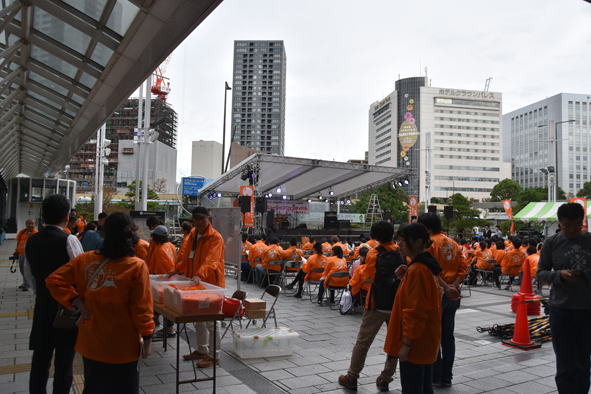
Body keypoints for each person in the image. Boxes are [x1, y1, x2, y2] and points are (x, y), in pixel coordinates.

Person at [46, 212, 154, 394]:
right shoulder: (136, 266)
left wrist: (75, 301)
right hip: (124, 346)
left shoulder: (85, 260)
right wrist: (148, 336)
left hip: (91, 343)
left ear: (104, 234)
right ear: (130, 236)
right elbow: (142, 308)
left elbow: (53, 280)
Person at [25, 195, 84, 394]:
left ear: (42, 216)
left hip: (42, 306)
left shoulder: (31, 241)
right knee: (64, 361)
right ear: (67, 217)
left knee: (40, 359)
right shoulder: (70, 239)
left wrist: (42, 292)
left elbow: (29, 275)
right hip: (66, 310)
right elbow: (80, 274)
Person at [339, 221, 403, 392]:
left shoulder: (373, 254)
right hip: (396, 305)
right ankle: (385, 378)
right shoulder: (402, 252)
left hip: (376, 304)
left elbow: (366, 275)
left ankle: (352, 377)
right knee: (394, 343)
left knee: (363, 342)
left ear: (374, 235)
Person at [537, 203, 591, 394]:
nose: (570, 230)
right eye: (566, 225)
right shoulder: (551, 243)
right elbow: (541, 273)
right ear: (559, 223)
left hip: (587, 310)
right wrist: (559, 275)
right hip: (561, 309)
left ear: (582, 222)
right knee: (565, 362)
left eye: (575, 225)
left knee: (583, 361)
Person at [384, 223, 441, 394]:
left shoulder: (418, 270)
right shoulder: (426, 265)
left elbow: (415, 310)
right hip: (426, 340)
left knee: (412, 388)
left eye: (401, 241)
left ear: (417, 242)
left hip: (415, 344)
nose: (398, 245)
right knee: (424, 387)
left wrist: (406, 344)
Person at [417, 213, 465, 388]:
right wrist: (453, 287)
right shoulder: (453, 244)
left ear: (427, 227)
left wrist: (445, 287)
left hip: (436, 295)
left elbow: (430, 271)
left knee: (433, 336)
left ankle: (435, 375)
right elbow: (463, 268)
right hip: (453, 295)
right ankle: (447, 377)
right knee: (448, 337)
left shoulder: (429, 244)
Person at [173, 207, 225, 368]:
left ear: (208, 219)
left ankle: (214, 355)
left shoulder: (215, 237)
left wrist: (199, 274)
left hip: (211, 285)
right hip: (195, 283)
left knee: (211, 320)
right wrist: (178, 269)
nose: (200, 222)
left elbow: (212, 260)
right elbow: (185, 255)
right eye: (196, 219)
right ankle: (202, 350)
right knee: (199, 320)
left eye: (202, 219)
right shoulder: (193, 235)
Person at [145, 225, 176, 338]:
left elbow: (158, 269)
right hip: (170, 280)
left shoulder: (160, 249)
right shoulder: (171, 246)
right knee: (167, 305)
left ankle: (168, 329)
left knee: (162, 305)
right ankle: (168, 327)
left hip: (161, 281)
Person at [14, 219, 38, 291]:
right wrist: (16, 251)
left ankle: (27, 285)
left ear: (34, 224)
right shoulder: (22, 232)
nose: (30, 225)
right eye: (28, 223)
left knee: (27, 270)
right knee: (22, 269)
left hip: (29, 255)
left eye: (32, 224)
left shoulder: (36, 233)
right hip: (21, 254)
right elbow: (19, 242)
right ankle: (25, 283)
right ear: (26, 224)